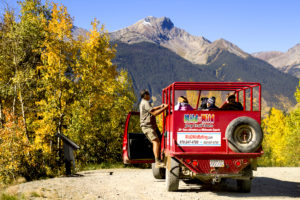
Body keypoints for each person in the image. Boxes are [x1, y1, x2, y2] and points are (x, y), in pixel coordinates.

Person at [139, 89, 168, 168]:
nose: (149, 96)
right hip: (147, 126)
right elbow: (154, 113)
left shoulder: (143, 103)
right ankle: (157, 161)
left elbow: (152, 109)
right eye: (148, 94)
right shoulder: (146, 102)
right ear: (145, 95)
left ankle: (159, 160)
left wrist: (160, 106)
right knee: (156, 142)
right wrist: (165, 108)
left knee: (158, 140)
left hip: (147, 126)